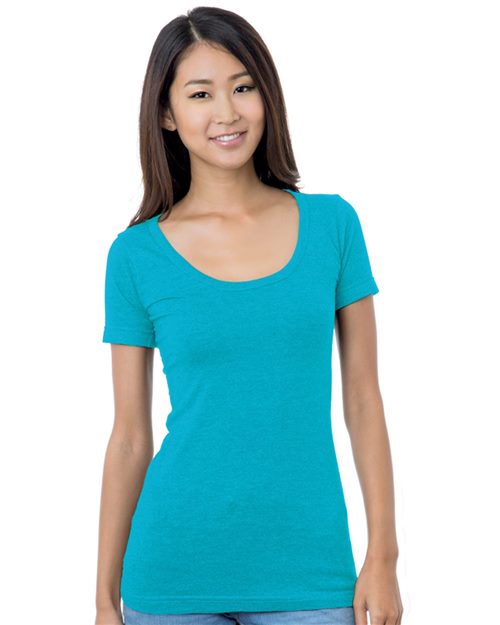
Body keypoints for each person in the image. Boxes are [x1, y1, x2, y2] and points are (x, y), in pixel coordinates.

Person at [95, 6, 403, 625]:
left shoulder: (332, 225)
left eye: (243, 87)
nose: (228, 112)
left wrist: (383, 557)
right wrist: (104, 601)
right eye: (200, 94)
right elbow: (129, 435)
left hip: (311, 572)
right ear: (166, 113)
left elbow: (364, 400)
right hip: (170, 575)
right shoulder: (135, 255)